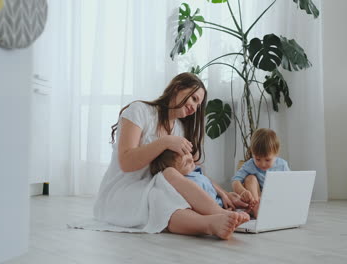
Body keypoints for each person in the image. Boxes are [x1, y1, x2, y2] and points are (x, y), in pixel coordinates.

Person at [93, 72, 249, 240]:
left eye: (199, 105)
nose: (195, 108)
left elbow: (194, 170)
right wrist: (164, 142)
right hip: (123, 191)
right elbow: (126, 162)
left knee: (166, 188)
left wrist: (222, 193)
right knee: (160, 195)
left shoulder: (179, 129)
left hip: (155, 186)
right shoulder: (139, 111)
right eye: (194, 99)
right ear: (178, 88)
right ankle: (211, 222)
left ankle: (216, 219)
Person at [149, 150, 252, 211]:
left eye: (188, 155)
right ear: (176, 173)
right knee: (241, 207)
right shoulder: (186, 184)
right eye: (186, 163)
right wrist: (221, 209)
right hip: (215, 207)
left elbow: (209, 181)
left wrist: (224, 194)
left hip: (221, 200)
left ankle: (252, 206)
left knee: (240, 199)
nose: (191, 160)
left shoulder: (194, 171)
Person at [231, 128, 290, 218]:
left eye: (267, 160)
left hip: (274, 199)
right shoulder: (250, 165)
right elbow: (235, 181)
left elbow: (290, 185)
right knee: (250, 178)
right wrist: (243, 192)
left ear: (276, 154)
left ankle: (270, 210)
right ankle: (256, 210)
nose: (262, 164)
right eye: (258, 159)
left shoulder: (282, 165)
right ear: (252, 154)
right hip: (255, 199)